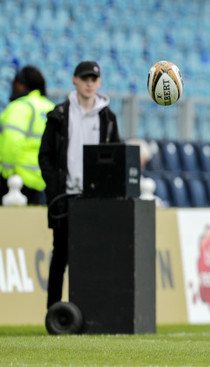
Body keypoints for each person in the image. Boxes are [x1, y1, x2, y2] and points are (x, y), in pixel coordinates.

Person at [39, 61, 121, 309]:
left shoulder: (107, 118)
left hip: (93, 199)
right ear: (74, 80)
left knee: (91, 256)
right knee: (61, 254)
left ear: (99, 83)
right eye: (84, 78)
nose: (89, 84)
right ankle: (54, 312)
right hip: (65, 197)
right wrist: (55, 187)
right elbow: (46, 156)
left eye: (93, 79)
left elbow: (115, 156)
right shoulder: (60, 114)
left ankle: (88, 310)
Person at [0, 66, 55, 204]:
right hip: (42, 181)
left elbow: (13, 140)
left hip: (17, 180)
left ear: (22, 84)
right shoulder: (50, 107)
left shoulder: (20, 106)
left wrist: (6, 171)